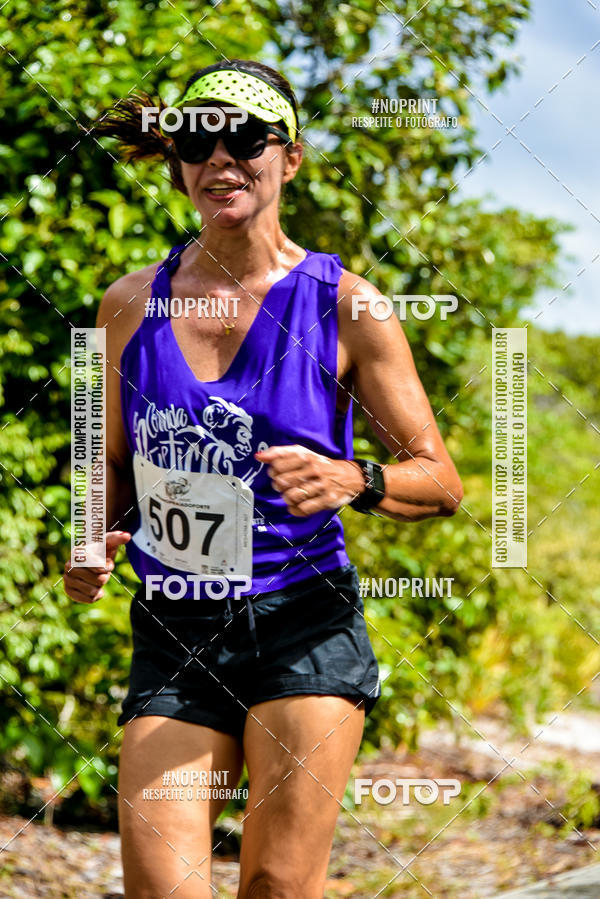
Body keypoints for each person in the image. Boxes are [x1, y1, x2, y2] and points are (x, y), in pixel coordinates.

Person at [63, 59, 463, 899]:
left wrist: (355, 478)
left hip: (303, 627)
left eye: (246, 139)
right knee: (161, 888)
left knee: (278, 887)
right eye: (197, 143)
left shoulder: (351, 305)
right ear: (176, 163)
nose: (221, 161)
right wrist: (88, 536)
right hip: (175, 629)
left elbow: (441, 480)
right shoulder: (123, 305)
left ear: (290, 157)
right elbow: (100, 459)